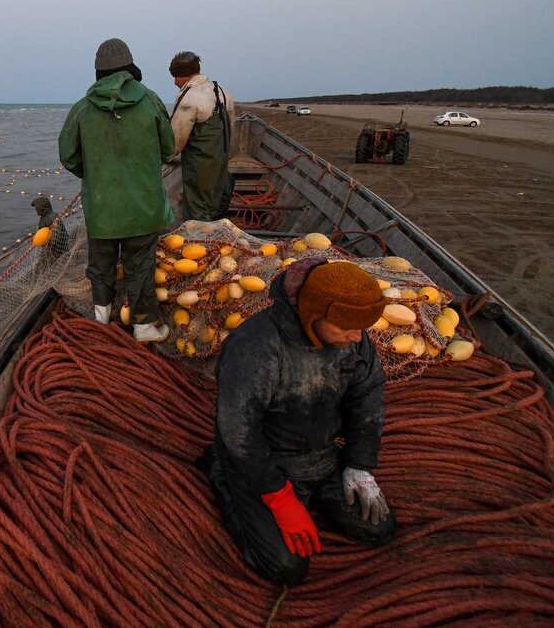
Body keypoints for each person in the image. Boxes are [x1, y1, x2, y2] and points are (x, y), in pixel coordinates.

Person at [200, 259, 396, 586]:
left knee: (379, 529)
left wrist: (359, 465)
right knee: (285, 567)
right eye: (347, 328)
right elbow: (240, 432)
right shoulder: (256, 347)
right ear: (313, 316)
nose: (356, 336)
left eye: (361, 328)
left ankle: (313, 492)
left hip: (320, 455)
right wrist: (279, 496)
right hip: (260, 461)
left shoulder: (354, 339)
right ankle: (219, 471)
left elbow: (368, 394)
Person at [58, 38, 175, 343]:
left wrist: (95, 175)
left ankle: (100, 321)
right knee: (141, 266)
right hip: (144, 207)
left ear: (98, 72)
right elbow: (169, 149)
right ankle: (145, 327)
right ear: (129, 68)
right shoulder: (150, 100)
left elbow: (68, 156)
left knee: (100, 265)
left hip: (101, 207)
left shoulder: (82, 109)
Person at [168, 51, 236, 221]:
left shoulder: (191, 96)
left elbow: (176, 138)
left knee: (196, 208)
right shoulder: (223, 92)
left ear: (186, 75)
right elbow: (231, 126)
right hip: (219, 161)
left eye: (176, 77)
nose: (175, 82)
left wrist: (166, 155)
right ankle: (212, 238)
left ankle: (197, 242)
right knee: (213, 202)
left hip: (199, 165)